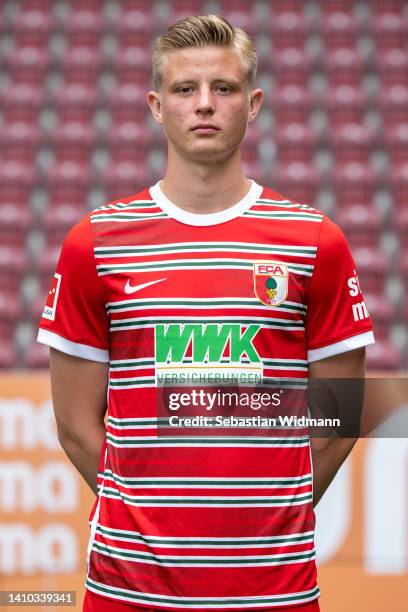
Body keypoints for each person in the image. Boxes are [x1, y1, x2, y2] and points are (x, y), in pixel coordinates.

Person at [37, 14, 375, 612]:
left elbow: (338, 419)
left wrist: (271, 519)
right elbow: (74, 426)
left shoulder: (315, 241)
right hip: (127, 590)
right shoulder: (95, 243)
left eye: (224, 88)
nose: (204, 105)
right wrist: (145, 519)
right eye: (184, 89)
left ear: (254, 103)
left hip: (276, 590)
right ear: (155, 105)